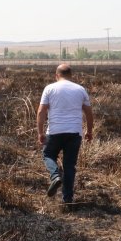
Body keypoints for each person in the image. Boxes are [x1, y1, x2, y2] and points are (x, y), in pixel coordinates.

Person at [37, 63, 93, 204]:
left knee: (48, 154)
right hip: (74, 133)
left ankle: (55, 176)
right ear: (71, 76)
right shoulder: (80, 89)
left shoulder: (49, 88)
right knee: (69, 165)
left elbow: (41, 111)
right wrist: (89, 131)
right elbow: (89, 112)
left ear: (56, 75)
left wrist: (40, 132)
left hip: (55, 131)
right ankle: (68, 199)